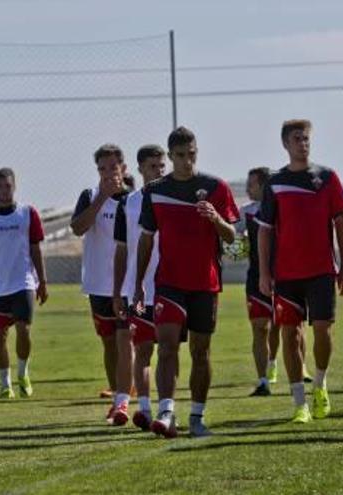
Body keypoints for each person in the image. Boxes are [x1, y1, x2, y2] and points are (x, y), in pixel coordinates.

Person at [133, 127, 239, 438]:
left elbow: (232, 236)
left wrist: (216, 219)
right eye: (180, 156)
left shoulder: (215, 187)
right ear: (171, 156)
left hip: (205, 283)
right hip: (169, 282)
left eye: (191, 154)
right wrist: (139, 282)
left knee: (201, 351)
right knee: (165, 347)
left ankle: (197, 416)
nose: (187, 161)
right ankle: (166, 413)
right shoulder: (155, 191)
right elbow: (146, 239)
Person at [256, 119, 343, 424]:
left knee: (323, 330)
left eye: (307, 138)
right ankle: (300, 403)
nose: (303, 143)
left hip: (322, 271)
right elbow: (265, 231)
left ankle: (320, 384)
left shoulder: (326, 178)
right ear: (285, 144)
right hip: (286, 274)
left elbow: (340, 224)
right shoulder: (275, 182)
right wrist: (263, 272)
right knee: (289, 334)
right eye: (297, 139)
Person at [0, 168, 48, 399]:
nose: (4, 190)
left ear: (14, 186)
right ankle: (5, 384)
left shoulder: (27, 213)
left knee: (24, 330)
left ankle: (23, 373)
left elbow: (36, 247)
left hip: (23, 282)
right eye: (0, 186)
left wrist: (42, 280)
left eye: (8, 186)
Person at [70, 144, 132, 405]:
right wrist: (100, 199)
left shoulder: (134, 199)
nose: (108, 173)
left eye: (113, 168)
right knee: (109, 343)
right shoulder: (90, 195)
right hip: (98, 284)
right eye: (102, 169)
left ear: (123, 169)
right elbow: (78, 228)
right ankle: (118, 392)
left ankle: (125, 399)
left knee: (126, 341)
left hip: (127, 285)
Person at [112, 144, 166, 429]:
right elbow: (121, 250)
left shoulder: (172, 196)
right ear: (140, 169)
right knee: (143, 349)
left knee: (169, 351)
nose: (158, 171)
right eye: (153, 166)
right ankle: (144, 409)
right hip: (138, 288)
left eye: (161, 166)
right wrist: (118, 290)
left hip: (171, 286)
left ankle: (167, 409)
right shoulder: (128, 203)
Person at [238, 166, 283, 396]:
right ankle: (263, 380)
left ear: (264, 186)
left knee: (281, 328)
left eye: (251, 184)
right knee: (260, 328)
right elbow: (232, 236)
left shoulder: (282, 208)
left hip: (285, 278)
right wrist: (233, 244)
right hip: (255, 279)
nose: (247, 188)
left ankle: (275, 363)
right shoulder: (245, 212)